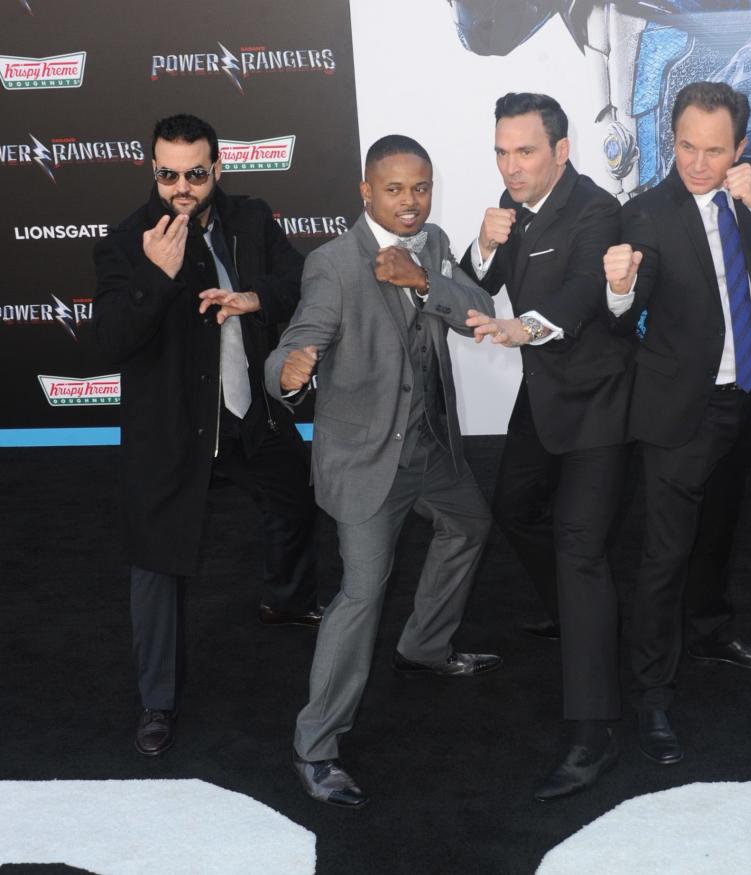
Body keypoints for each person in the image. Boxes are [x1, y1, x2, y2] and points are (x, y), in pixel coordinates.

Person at [265, 135, 500, 809]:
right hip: (366, 460)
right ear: (365, 192)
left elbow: (476, 311)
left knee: (471, 523)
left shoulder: (434, 242)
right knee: (362, 594)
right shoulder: (334, 265)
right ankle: (315, 746)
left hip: (430, 447)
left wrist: (424, 279)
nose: (410, 201)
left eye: (420, 187)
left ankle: (423, 645)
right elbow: (294, 342)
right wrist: (286, 372)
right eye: (394, 189)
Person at [604, 81, 751, 765]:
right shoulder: (644, 214)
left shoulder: (748, 190)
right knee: (664, 556)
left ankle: (712, 633)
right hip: (679, 412)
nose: (698, 163)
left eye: (714, 150)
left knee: (719, 533)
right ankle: (652, 693)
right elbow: (624, 303)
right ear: (672, 139)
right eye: (687, 147)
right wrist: (617, 286)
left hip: (745, 395)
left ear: (740, 148)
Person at [93, 113, 322, 758]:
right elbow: (111, 340)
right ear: (153, 171)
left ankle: (287, 599)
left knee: (296, 494)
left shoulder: (250, 218)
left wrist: (254, 297)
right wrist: (154, 278)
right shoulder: (124, 242)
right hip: (170, 432)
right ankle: (157, 702)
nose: (182, 187)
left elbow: (301, 278)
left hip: (248, 414)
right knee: (156, 562)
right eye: (169, 174)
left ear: (216, 169)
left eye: (196, 173)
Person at [461, 93, 634, 800]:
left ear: (561, 151)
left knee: (579, 547)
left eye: (525, 151)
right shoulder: (511, 199)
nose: (512, 166)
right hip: (541, 398)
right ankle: (573, 612)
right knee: (512, 505)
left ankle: (594, 731)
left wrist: (522, 330)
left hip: (597, 401)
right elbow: (477, 282)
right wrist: (485, 244)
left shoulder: (597, 210)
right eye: (502, 151)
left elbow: (582, 296)